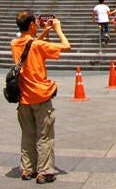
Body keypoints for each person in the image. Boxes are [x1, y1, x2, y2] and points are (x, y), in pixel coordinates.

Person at [11, 11, 71, 183]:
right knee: (44, 136)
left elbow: (30, 44)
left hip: (23, 97)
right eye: (36, 23)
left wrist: (45, 31)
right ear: (31, 25)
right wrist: (58, 30)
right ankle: (45, 171)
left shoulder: (14, 43)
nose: (38, 24)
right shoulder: (38, 46)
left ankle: (27, 169)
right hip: (40, 95)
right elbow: (66, 46)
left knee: (27, 135)